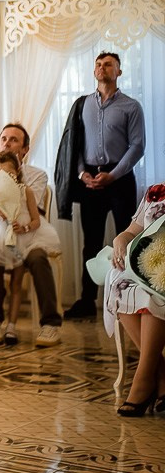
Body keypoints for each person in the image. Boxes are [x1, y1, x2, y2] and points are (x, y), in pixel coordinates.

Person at [55, 52, 146, 320]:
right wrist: (81, 172)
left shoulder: (131, 106)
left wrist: (113, 175)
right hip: (90, 181)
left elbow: (137, 146)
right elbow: (74, 143)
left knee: (126, 240)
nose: (102, 68)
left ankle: (130, 298)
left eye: (108, 64)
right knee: (91, 243)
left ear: (119, 71)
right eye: (98, 64)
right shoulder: (82, 104)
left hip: (120, 180)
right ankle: (87, 302)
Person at [0, 123, 62, 347]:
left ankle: (50, 324)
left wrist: (19, 223)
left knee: (38, 259)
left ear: (25, 149)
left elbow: (32, 209)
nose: (7, 143)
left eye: (14, 140)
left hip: (29, 232)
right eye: (3, 138)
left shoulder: (37, 176)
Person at [97, 183, 165, 416]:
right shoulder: (156, 192)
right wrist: (120, 239)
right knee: (119, 284)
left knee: (152, 292)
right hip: (150, 263)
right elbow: (131, 231)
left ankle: (144, 380)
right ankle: (160, 373)